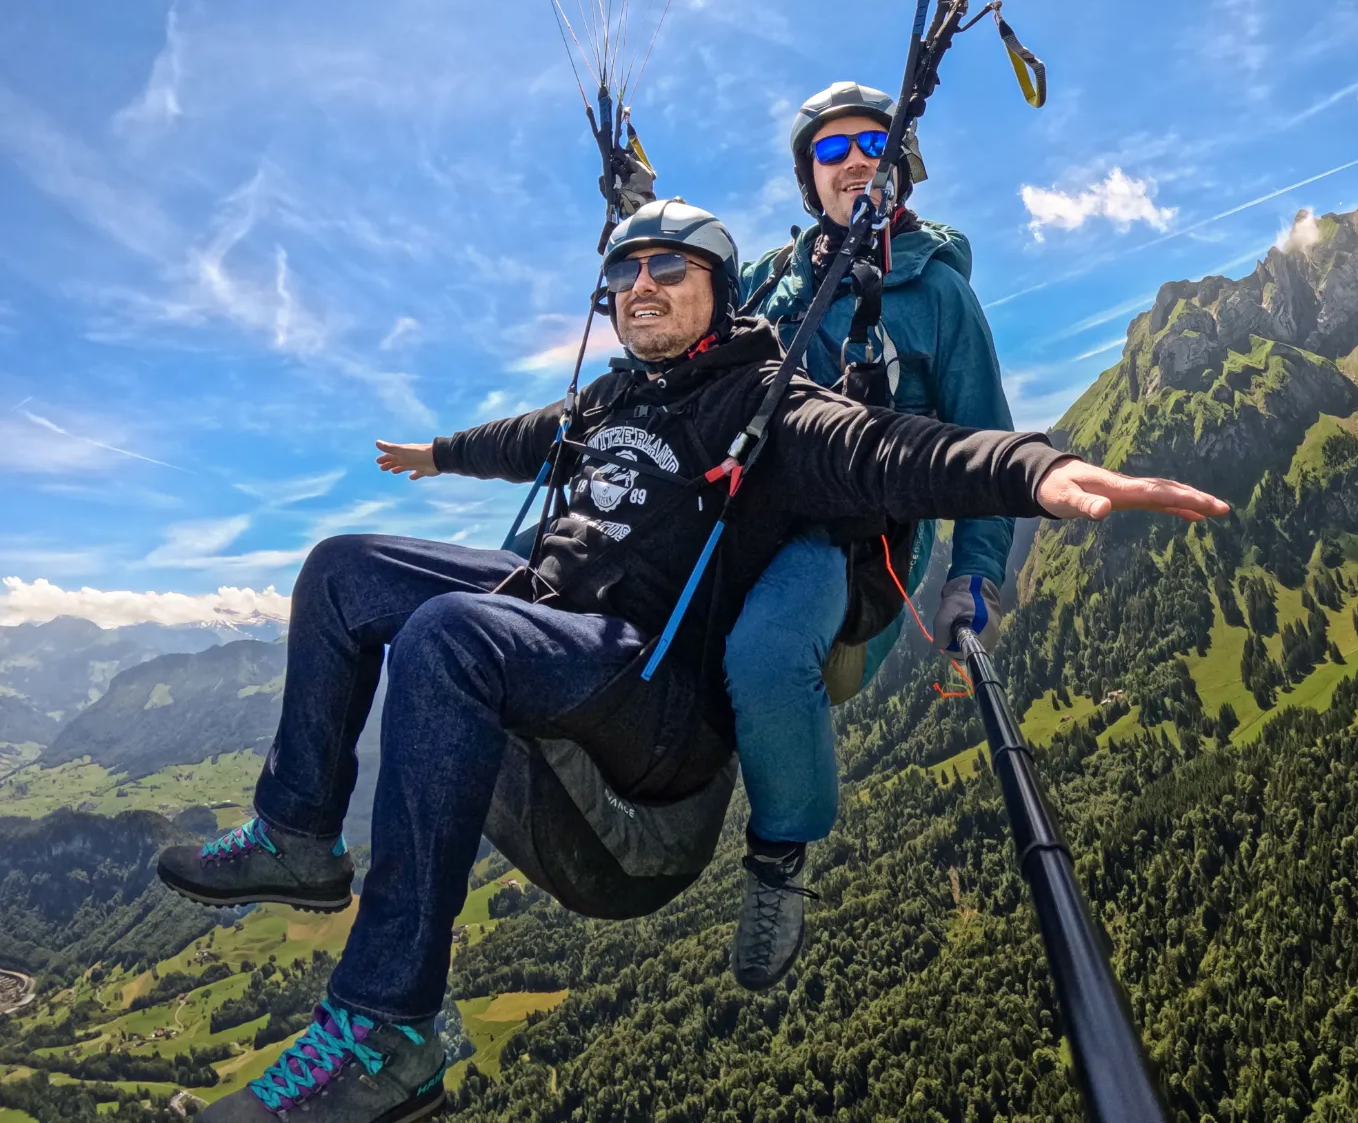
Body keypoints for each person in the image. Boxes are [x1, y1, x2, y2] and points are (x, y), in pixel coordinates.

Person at [157, 198, 1227, 1123]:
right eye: (624, 272)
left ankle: (389, 1025)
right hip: (556, 619)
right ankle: (301, 834)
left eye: (670, 268)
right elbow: (531, 438)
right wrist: (441, 455)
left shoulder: (769, 407)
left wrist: (1036, 472)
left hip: (650, 690)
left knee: (446, 636)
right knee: (342, 567)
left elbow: (893, 450)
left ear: (722, 289)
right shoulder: (616, 399)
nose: (641, 286)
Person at [723, 81, 1018, 988]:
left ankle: (780, 861)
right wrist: (639, 223)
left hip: (859, 538)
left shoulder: (936, 297)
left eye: (873, 143)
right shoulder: (771, 282)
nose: (853, 159)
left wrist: (973, 579)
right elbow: (690, 317)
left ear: (903, 166)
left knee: (770, 650)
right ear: (809, 182)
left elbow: (984, 442)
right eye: (829, 150)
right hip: (748, 512)